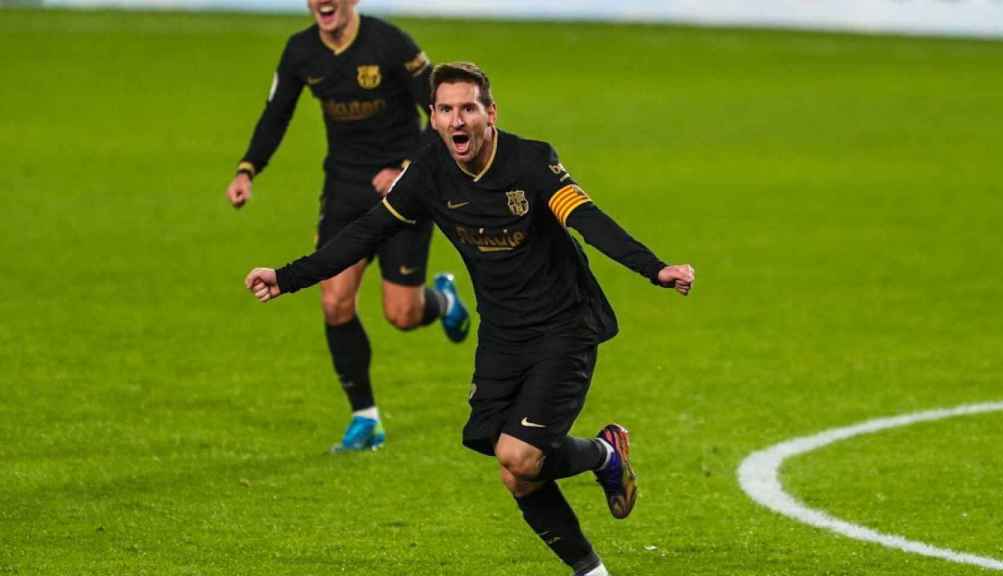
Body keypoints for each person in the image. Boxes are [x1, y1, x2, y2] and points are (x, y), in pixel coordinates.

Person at [244, 62, 696, 575]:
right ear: (433, 118)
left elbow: (586, 220)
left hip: (563, 325)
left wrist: (653, 268)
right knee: (516, 474)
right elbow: (366, 232)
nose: (457, 120)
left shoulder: (531, 162)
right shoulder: (429, 173)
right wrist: (287, 277)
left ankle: (601, 466)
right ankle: (599, 505)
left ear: (490, 113)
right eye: (445, 110)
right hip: (502, 333)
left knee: (519, 454)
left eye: (468, 108)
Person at [225, 0, 470, 453]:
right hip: (344, 191)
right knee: (336, 302)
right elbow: (276, 113)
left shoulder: (391, 44)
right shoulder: (301, 52)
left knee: (402, 314)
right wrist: (248, 170)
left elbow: (441, 115)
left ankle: (443, 299)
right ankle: (366, 418)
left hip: (405, 189)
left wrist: (403, 166)